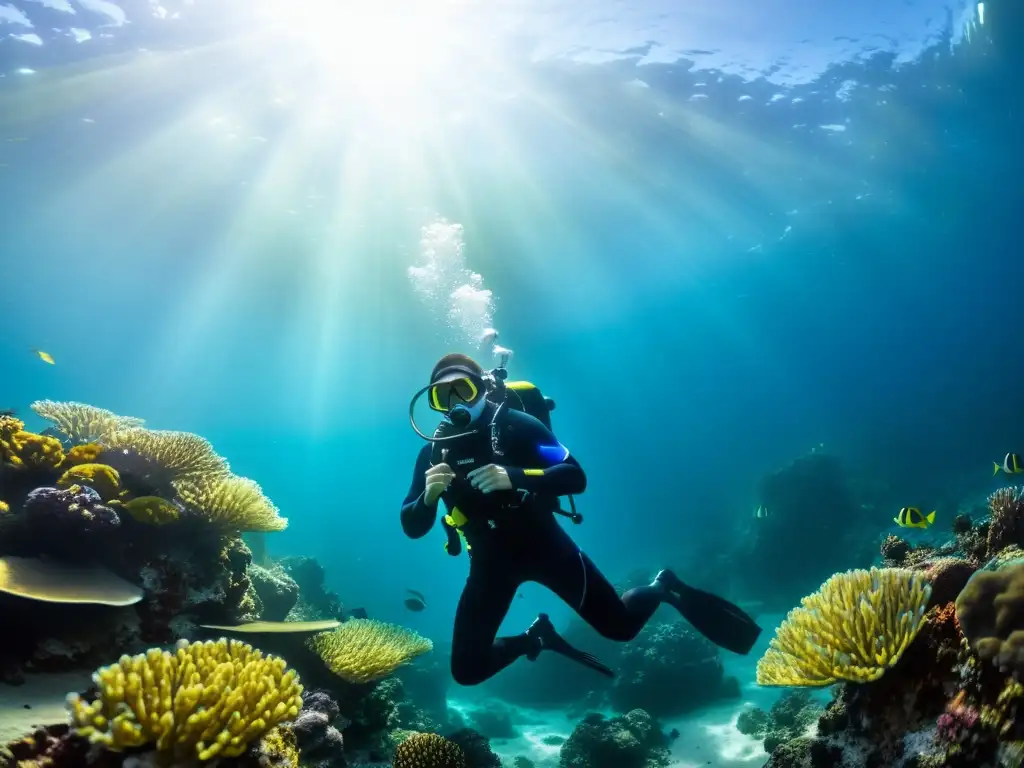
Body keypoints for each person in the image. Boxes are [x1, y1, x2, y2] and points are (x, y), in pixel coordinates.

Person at [400, 353, 762, 686]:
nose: (455, 403)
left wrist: (516, 476)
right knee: (466, 670)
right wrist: (429, 497)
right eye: (442, 396)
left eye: (462, 389)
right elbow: (412, 526)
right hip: (489, 565)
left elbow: (575, 476)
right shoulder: (432, 453)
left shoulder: (518, 426)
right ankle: (536, 638)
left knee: (621, 628)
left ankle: (662, 587)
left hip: (547, 548)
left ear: (481, 389)